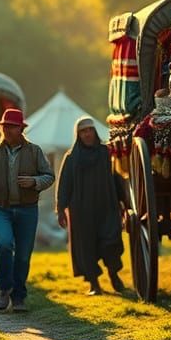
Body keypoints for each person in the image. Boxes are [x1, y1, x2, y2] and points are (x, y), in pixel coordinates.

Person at [0, 107, 54, 313]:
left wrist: (34, 182)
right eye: (4, 126)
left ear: (21, 128)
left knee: (24, 255)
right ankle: (4, 288)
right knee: (4, 243)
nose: (6, 130)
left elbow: (49, 176)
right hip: (0, 208)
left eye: (11, 127)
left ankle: (19, 296)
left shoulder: (34, 151)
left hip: (27, 209)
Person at [56, 117, 126, 296]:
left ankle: (113, 274)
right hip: (81, 210)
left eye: (90, 130)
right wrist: (61, 209)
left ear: (95, 132)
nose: (87, 134)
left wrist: (124, 201)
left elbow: (117, 177)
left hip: (106, 205)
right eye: (83, 131)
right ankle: (94, 284)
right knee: (86, 247)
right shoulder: (72, 158)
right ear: (78, 135)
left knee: (110, 242)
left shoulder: (106, 152)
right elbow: (64, 184)